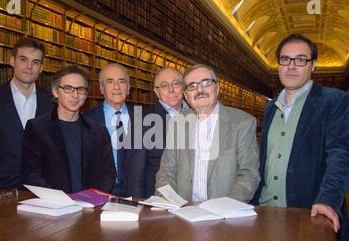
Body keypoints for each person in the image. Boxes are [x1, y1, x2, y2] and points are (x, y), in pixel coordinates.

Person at [251, 33, 349, 241]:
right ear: (279, 64)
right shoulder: (270, 107)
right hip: (263, 213)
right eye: (285, 59)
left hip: (308, 213)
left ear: (313, 65)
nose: (291, 66)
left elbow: (342, 156)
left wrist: (328, 199)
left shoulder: (334, 101)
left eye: (300, 60)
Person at [155, 64, 260, 202]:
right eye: (192, 86)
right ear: (186, 95)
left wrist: (226, 208)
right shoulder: (178, 123)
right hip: (184, 211)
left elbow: (249, 174)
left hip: (225, 214)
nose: (199, 89)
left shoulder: (242, 122)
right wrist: (170, 202)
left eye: (206, 83)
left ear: (217, 88)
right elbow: (166, 171)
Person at [0, 38, 53, 189]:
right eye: (23, 59)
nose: (29, 66)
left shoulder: (51, 102)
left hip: (42, 190)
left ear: (41, 68)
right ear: (12, 61)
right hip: (0, 189)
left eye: (35, 62)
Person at [21, 65, 116, 193]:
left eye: (81, 89)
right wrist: (58, 199)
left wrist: (93, 198)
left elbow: (108, 172)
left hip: (90, 206)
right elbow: (30, 173)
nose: (75, 95)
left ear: (86, 94)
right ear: (55, 91)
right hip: (52, 207)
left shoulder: (98, 131)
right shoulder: (37, 128)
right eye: (68, 88)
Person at [83, 63, 146, 198]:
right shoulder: (85, 120)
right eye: (110, 81)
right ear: (101, 88)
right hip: (99, 193)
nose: (116, 87)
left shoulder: (144, 119)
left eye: (121, 81)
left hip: (137, 193)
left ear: (128, 88)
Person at [144, 67, 189, 197]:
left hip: (194, 198)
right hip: (158, 196)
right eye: (164, 85)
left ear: (184, 87)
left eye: (176, 84)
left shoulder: (199, 115)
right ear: (156, 92)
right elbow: (137, 168)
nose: (171, 90)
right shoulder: (142, 120)